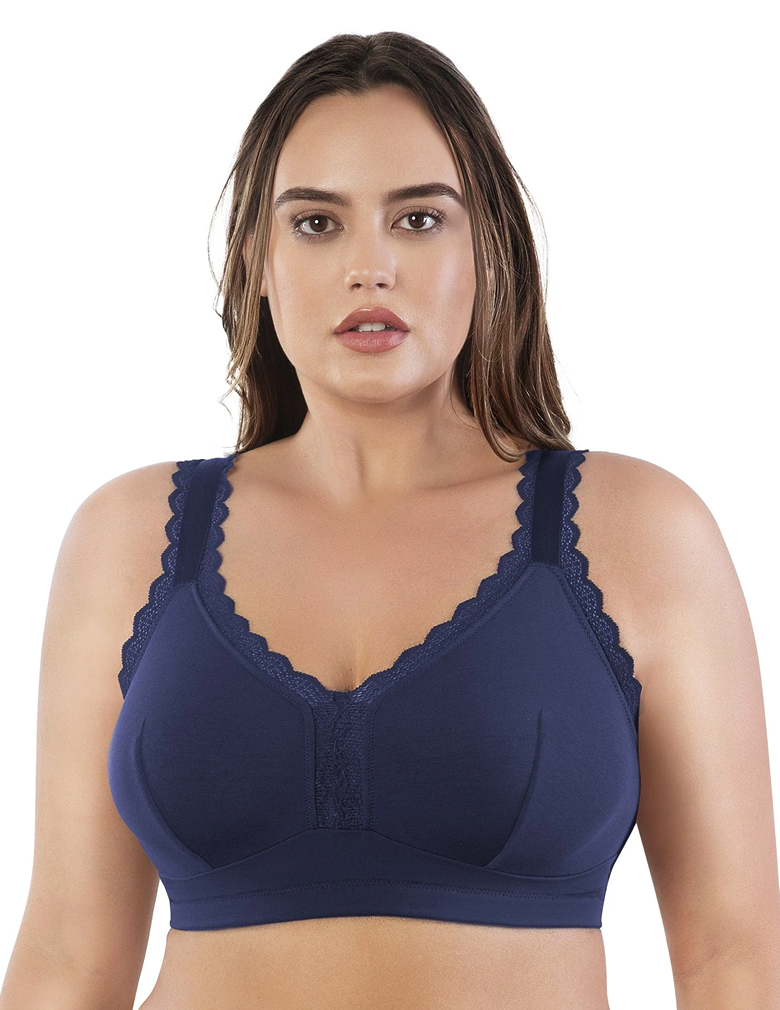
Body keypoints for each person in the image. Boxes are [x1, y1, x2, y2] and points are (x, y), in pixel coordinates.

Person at [2, 30, 779, 1010]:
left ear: (486, 248)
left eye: (417, 218)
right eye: (316, 223)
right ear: (257, 263)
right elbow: (67, 956)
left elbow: (734, 960)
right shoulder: (130, 536)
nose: (369, 267)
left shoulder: (638, 531)